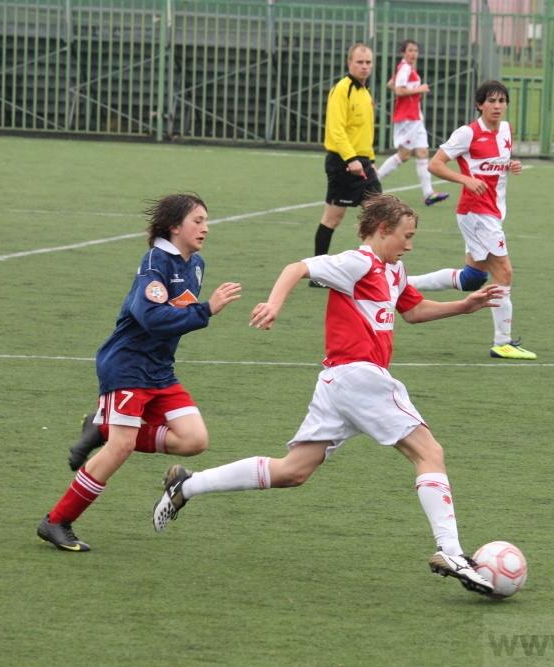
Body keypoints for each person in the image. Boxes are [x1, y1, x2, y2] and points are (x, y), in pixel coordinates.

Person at [152, 194, 499, 596]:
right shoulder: (357, 262)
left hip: (339, 384)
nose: (409, 245)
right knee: (429, 452)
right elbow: (297, 267)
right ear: (383, 230)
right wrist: (274, 303)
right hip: (358, 375)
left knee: (292, 471)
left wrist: (464, 306)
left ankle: (186, 486)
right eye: (406, 236)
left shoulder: (394, 271)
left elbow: (413, 311)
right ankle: (452, 551)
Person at [36, 193, 242, 552]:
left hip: (160, 371)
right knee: (121, 447)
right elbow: (151, 317)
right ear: (174, 226)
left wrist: (201, 311)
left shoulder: (195, 265)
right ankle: (56, 521)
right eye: (198, 221)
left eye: (207, 220)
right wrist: (207, 309)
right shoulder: (155, 264)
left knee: (194, 441)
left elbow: (173, 318)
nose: (206, 228)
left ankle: (101, 427)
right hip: (128, 365)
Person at [407, 80, 536, 360]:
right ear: (480, 104)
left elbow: (498, 163)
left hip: (493, 212)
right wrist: (465, 179)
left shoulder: (506, 130)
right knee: (504, 272)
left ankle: (404, 281)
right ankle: (503, 342)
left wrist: (510, 165)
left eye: (502, 101)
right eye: (491, 101)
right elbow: (435, 163)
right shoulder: (468, 133)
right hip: (477, 212)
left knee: (472, 279)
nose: (497, 106)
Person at [311, 42, 383, 285]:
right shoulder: (342, 90)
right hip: (343, 163)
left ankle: (374, 269)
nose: (365, 66)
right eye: (360, 62)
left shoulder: (365, 92)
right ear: (349, 63)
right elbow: (336, 129)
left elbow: (364, 132)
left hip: (362, 163)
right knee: (333, 218)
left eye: (368, 62)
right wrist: (351, 159)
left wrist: (369, 161)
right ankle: (317, 274)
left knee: (381, 212)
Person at [375, 39, 450, 207]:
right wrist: (419, 89)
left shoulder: (407, 68)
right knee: (404, 155)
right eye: (410, 50)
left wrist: (405, 88)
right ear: (403, 53)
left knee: (423, 153)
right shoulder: (406, 68)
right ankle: (372, 183)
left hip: (416, 117)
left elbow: (391, 84)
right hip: (407, 118)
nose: (413, 53)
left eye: (415, 50)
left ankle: (428, 193)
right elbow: (400, 90)